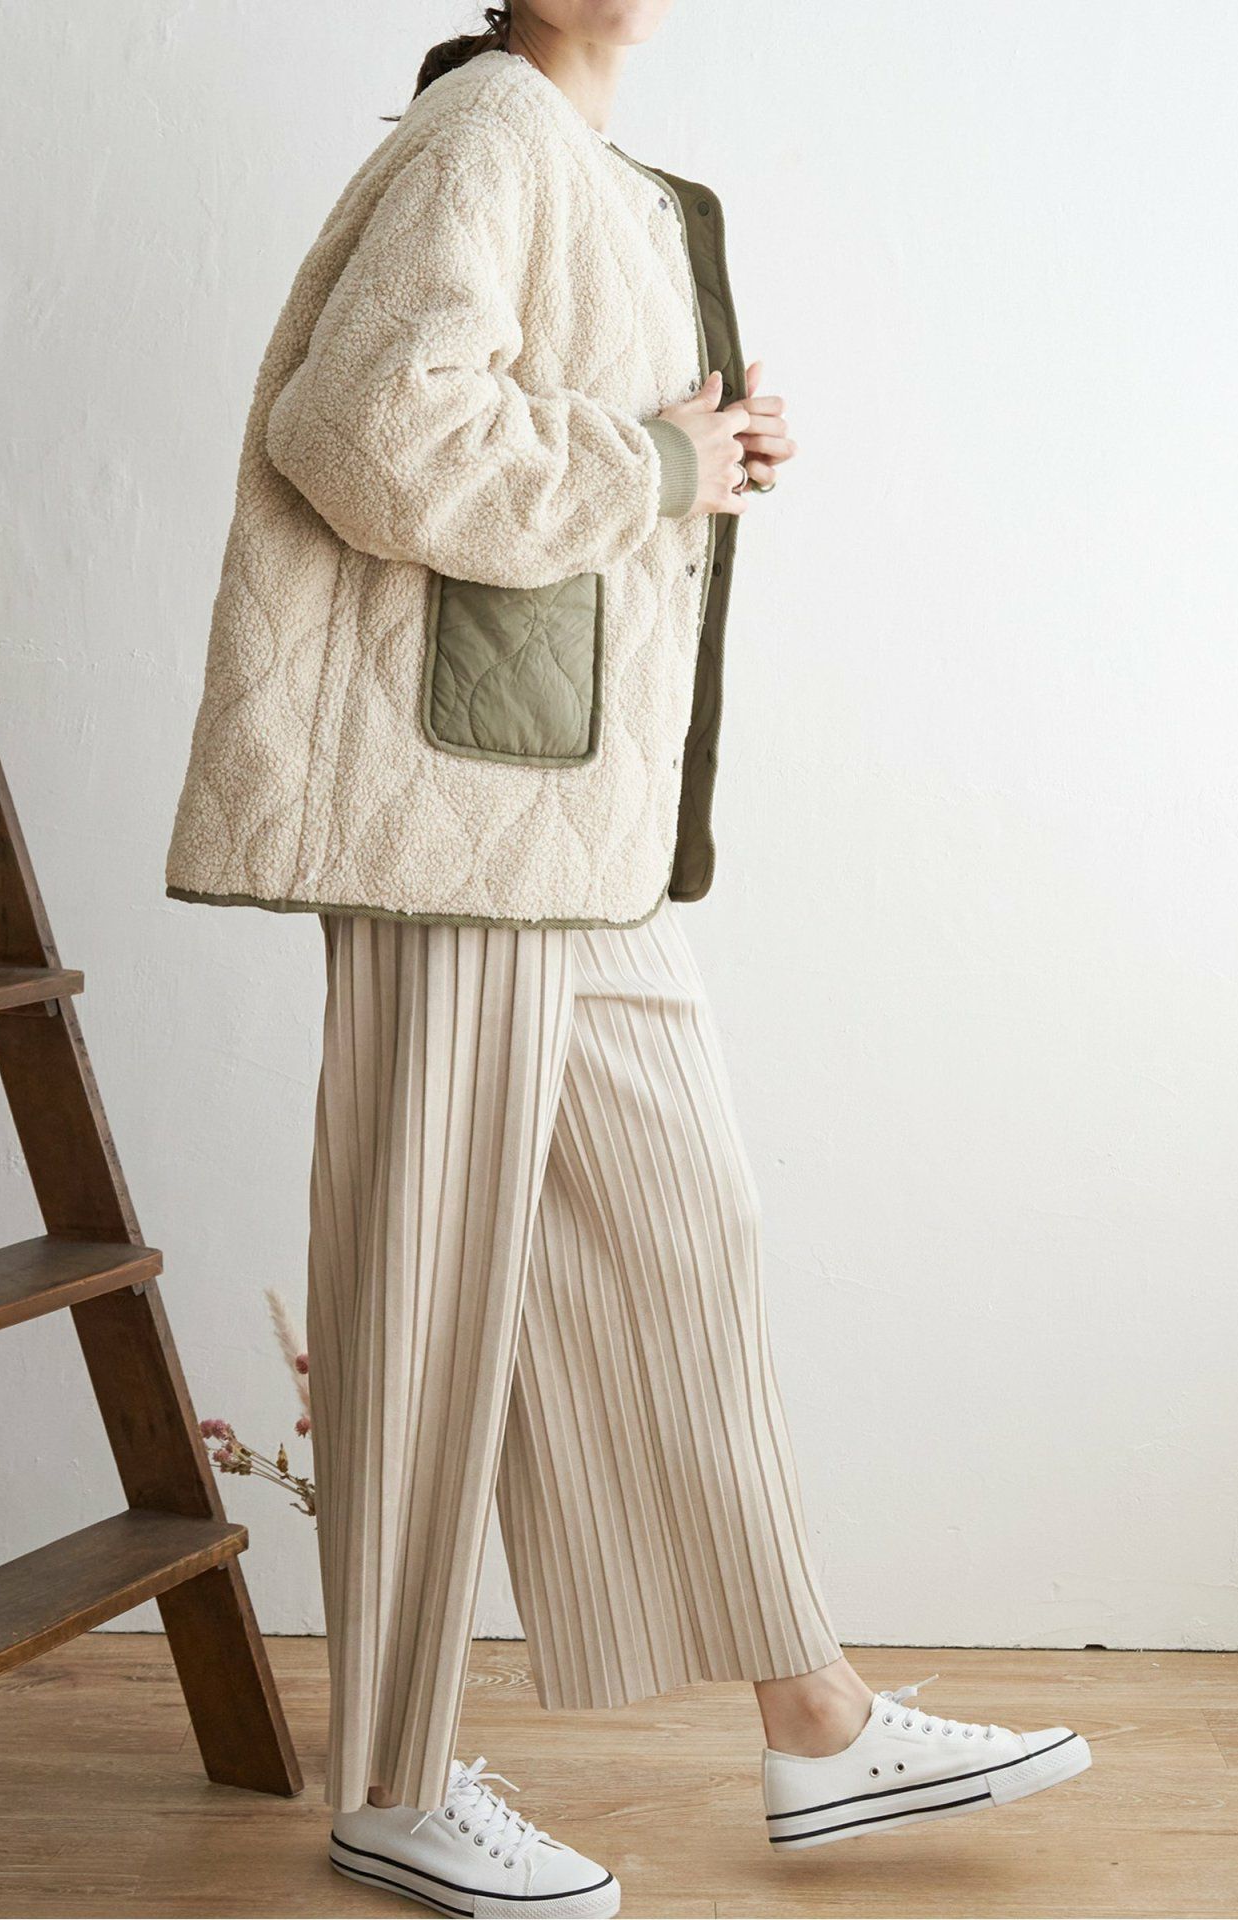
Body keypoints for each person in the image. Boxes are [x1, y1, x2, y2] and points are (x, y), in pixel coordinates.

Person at [166, 3, 1091, 1912]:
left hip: (577, 824)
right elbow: (362, 425)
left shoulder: (600, 174)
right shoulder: (489, 130)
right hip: (463, 818)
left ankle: (815, 1722)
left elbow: (571, 451)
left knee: (686, 1236)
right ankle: (395, 1783)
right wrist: (654, 463)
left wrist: (701, 456)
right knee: (427, 1291)